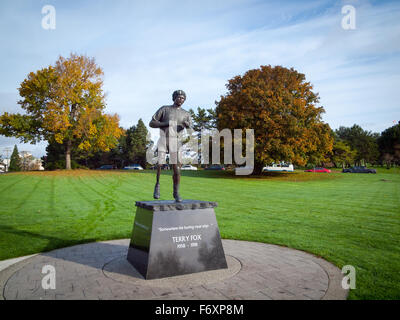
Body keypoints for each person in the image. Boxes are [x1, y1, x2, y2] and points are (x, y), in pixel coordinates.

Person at [149, 90, 192, 202]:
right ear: (174, 98)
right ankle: (157, 185)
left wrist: (187, 126)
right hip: (164, 138)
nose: (180, 100)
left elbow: (190, 128)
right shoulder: (165, 109)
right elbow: (152, 123)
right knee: (160, 164)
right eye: (178, 97)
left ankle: (176, 192)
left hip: (176, 141)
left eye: (183, 98)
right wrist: (165, 124)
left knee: (177, 168)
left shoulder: (186, 114)